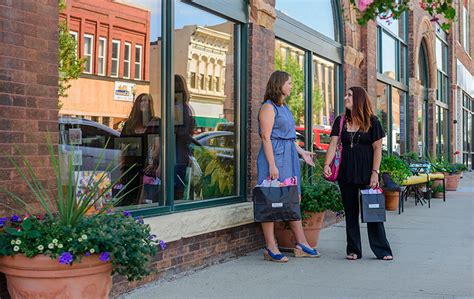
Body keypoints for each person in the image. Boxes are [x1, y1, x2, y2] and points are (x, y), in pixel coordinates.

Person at [323, 86, 393, 261]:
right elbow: (333, 144)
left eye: (349, 95)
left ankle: (382, 250)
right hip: (346, 173)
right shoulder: (340, 121)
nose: (345, 97)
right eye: (345, 94)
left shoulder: (373, 122)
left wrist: (375, 173)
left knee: (372, 211)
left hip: (366, 173)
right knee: (351, 212)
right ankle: (353, 250)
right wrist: (326, 164)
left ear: (359, 99)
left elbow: (377, 149)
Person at [257, 70, 320, 262]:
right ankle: (270, 246)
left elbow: (288, 138)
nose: (292, 86)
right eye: (289, 83)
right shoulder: (268, 107)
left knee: (293, 199)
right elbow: (266, 138)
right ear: (279, 84)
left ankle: (301, 242)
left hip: (289, 158)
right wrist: (272, 165)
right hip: (274, 158)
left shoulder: (284, 107)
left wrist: (303, 153)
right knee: (270, 200)